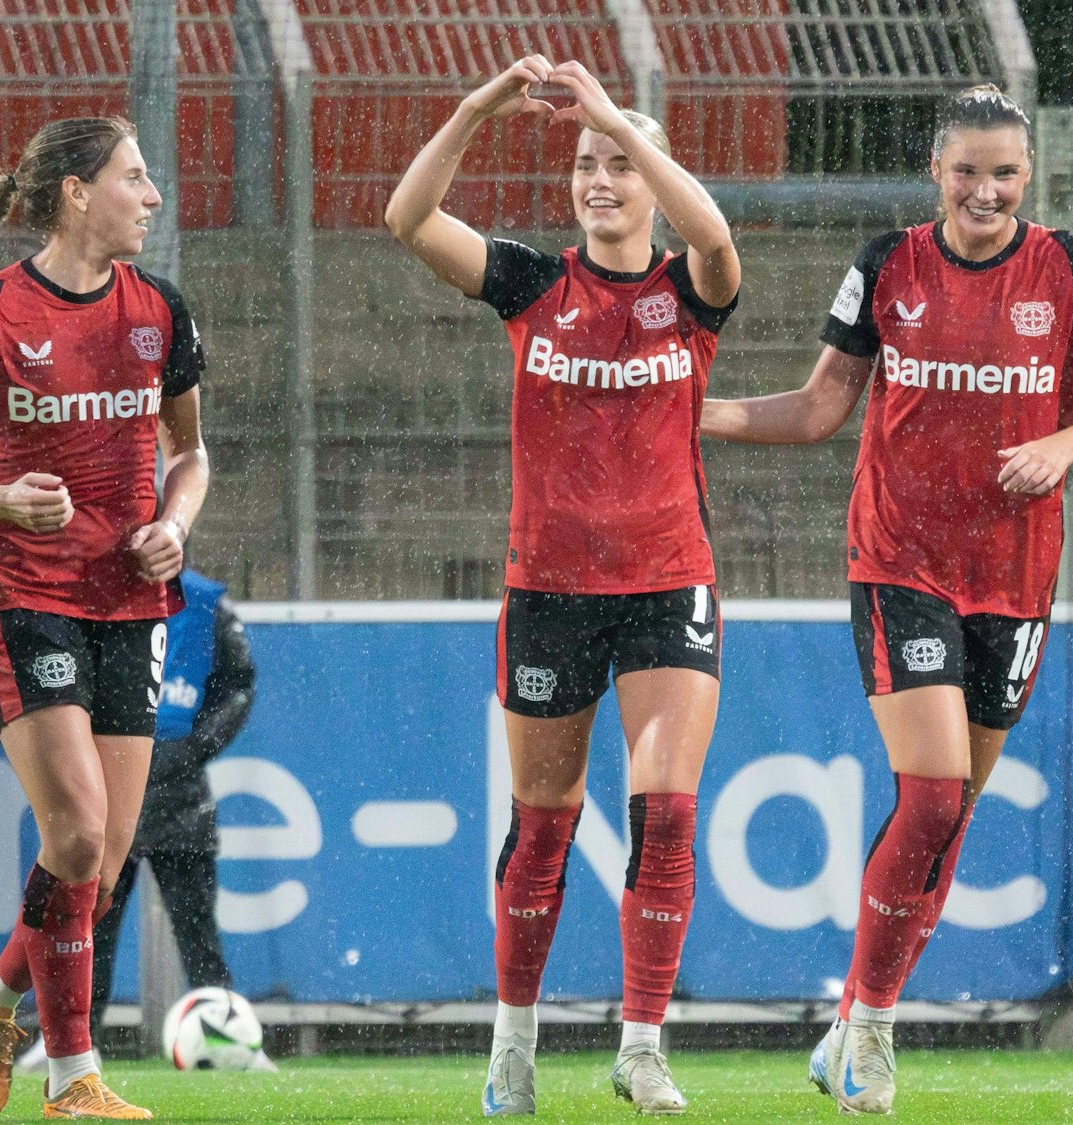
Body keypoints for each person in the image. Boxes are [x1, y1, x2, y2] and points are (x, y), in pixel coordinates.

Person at [700, 84, 1073, 1115]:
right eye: (965, 171)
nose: (983, 190)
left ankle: (855, 1020)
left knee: (946, 819)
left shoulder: (1067, 268)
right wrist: (701, 412)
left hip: (1014, 578)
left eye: (1002, 172)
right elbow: (821, 406)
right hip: (898, 561)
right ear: (934, 174)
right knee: (937, 792)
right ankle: (870, 1031)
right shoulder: (887, 263)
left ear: (1026, 176)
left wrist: (1061, 441)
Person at [384, 54, 740, 1117]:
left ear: (650, 177)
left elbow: (716, 238)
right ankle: (512, 1046)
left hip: (669, 583)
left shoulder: (691, 291)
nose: (601, 179)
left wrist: (627, 129)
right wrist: (478, 107)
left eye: (620, 165)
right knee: (543, 826)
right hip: (548, 590)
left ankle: (640, 1046)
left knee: (665, 814)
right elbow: (408, 217)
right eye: (586, 163)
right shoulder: (534, 285)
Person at [0, 116, 208, 1120]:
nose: (152, 197)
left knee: (96, 868)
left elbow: (191, 455)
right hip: (21, 594)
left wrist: (175, 526)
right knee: (72, 833)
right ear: (75, 192)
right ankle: (72, 1080)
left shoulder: (162, 310)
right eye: (134, 178)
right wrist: (1, 501)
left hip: (130, 597)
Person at [15, 566, 263, 1075]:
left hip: (180, 793)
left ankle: (233, 1040)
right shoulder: (90, 590)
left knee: (197, 928)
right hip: (111, 779)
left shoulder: (207, 604)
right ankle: (68, 1043)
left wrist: (193, 748)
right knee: (91, 921)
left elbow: (238, 686)